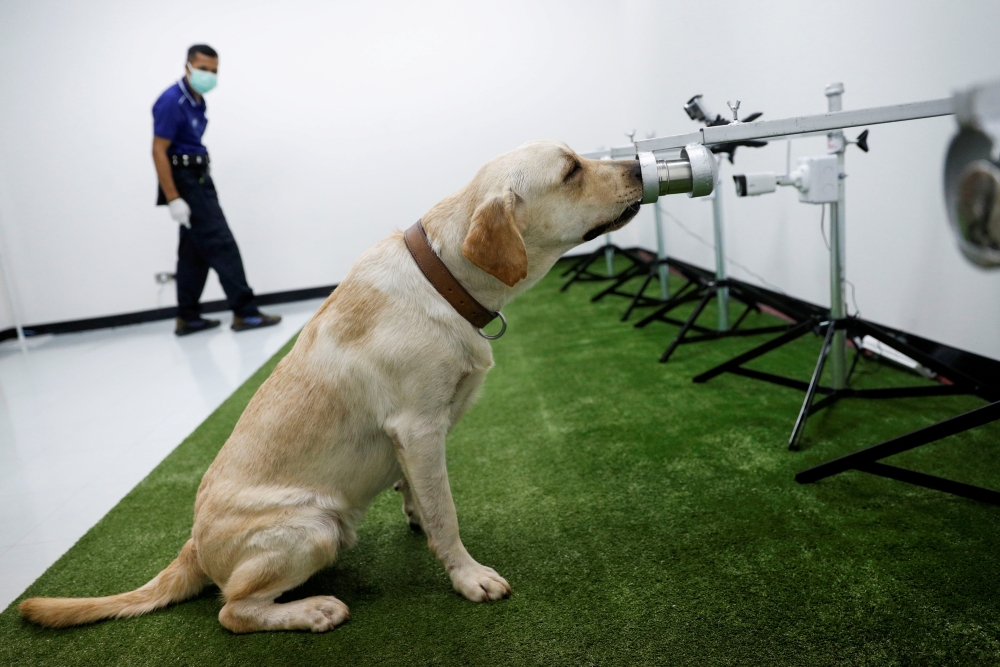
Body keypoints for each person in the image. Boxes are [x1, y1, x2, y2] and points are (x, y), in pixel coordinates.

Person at [152, 44, 281, 336]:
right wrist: (173, 198)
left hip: (198, 176)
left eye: (213, 70)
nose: (208, 75)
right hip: (186, 180)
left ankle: (188, 317)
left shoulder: (198, 100)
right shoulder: (172, 101)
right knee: (221, 243)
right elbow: (158, 150)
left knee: (193, 253)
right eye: (203, 69)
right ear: (188, 67)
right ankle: (245, 313)